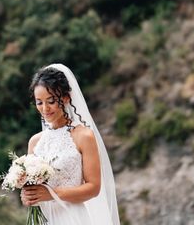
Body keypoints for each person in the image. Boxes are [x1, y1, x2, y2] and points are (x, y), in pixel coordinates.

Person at [21, 63, 120, 225]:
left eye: (51, 101)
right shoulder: (35, 142)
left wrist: (51, 194)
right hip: (43, 219)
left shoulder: (84, 136)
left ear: (66, 97)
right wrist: (28, 196)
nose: (45, 108)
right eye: (39, 102)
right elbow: (33, 189)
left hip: (72, 218)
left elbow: (94, 188)